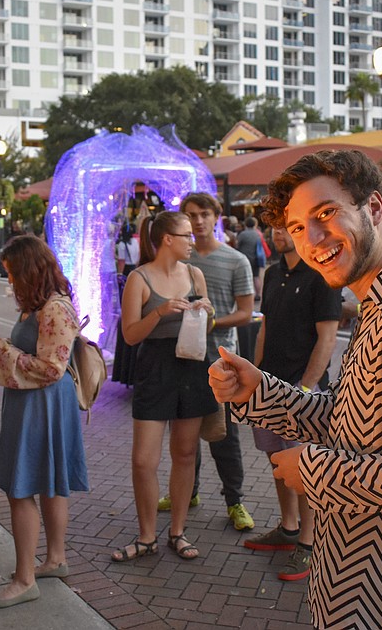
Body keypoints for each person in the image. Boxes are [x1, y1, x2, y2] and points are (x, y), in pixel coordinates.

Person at [208, 150, 382, 629]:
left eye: (326, 214)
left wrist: (315, 469)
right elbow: (355, 422)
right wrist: (258, 392)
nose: (313, 239)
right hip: (370, 586)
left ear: (376, 209)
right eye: (298, 227)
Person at [0, 235, 89, 609]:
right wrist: (2, 347)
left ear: (29, 272)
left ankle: (25, 579)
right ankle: (55, 559)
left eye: (11, 274)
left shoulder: (53, 308)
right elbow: (36, 355)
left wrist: (4, 350)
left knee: (21, 488)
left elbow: (50, 369)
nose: (9, 282)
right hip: (40, 404)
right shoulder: (43, 305)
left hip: (41, 404)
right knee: (51, 483)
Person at [111, 210, 215, 562]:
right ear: (167, 239)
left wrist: (206, 312)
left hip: (191, 365)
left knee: (186, 454)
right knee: (144, 460)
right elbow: (129, 334)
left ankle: (178, 532)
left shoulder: (195, 274)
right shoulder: (139, 278)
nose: (193, 240)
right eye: (186, 235)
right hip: (155, 367)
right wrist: (159, 312)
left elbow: (207, 329)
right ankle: (146, 536)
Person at [243, 225, 341, 582]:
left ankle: (309, 542)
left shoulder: (320, 275)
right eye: (275, 225)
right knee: (278, 462)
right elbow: (265, 327)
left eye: (286, 225)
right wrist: (256, 380)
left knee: (307, 470)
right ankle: (288, 528)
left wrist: (305, 390)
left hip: (303, 394)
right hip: (269, 387)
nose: (277, 231)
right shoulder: (272, 273)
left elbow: (328, 338)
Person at [174, 192, 255, 531]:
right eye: (191, 215)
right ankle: (187, 492)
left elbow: (246, 312)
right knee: (184, 432)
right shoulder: (178, 264)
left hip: (222, 359)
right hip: (185, 359)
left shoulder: (236, 260)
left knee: (225, 436)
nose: (198, 221)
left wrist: (208, 321)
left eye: (204, 214)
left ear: (216, 216)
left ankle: (234, 501)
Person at [111, 221, 141, 387]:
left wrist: (120, 274)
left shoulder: (122, 244)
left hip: (127, 271)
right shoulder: (135, 243)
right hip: (134, 268)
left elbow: (121, 260)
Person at [235, 216, 264, 300]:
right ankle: (258, 294)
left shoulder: (243, 234)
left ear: (246, 224)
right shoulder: (257, 234)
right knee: (256, 276)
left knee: (244, 277)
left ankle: (245, 295)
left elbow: (237, 245)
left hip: (244, 258)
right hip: (255, 258)